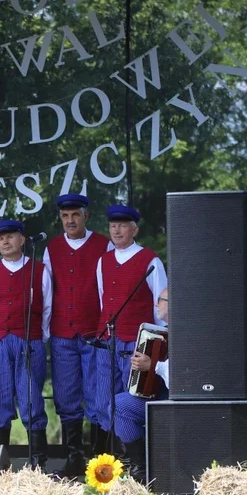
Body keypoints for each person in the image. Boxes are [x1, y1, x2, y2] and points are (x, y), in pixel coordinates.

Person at [90, 205, 168, 466]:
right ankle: (110, 461)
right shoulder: (104, 260)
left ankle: (135, 460)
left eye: (123, 225)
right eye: (113, 225)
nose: (117, 230)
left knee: (128, 401)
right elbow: (104, 300)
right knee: (102, 402)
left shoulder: (150, 260)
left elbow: (162, 311)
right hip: (107, 343)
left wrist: (156, 349)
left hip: (136, 345)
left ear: (134, 229)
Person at [0, 219, 53, 470]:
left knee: (32, 400)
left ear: (21, 240)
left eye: (10, 237)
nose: (5, 242)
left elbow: (47, 309)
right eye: (0, 239)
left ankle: (38, 462)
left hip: (30, 342)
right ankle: (0, 464)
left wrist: (38, 338)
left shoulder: (39, 270)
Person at [42, 193, 112, 476]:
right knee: (67, 395)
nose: (70, 221)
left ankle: (100, 459)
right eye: (65, 216)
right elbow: (47, 292)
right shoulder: (52, 248)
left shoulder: (103, 245)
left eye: (75, 215)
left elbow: (108, 288)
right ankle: (74, 457)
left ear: (86, 216)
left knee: (98, 395)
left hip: (94, 332)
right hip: (62, 334)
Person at [114, 288, 169, 478]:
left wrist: (151, 365)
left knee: (120, 405)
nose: (156, 304)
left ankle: (143, 468)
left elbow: (182, 374)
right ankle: (140, 466)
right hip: (162, 395)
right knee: (118, 404)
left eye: (160, 300)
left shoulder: (186, 334)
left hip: (177, 400)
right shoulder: (164, 332)